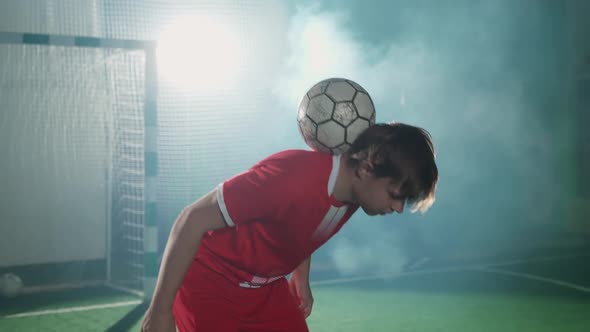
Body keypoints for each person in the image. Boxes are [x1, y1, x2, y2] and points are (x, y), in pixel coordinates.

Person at [141, 122, 438, 332]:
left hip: (265, 290)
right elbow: (191, 219)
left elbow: (300, 224)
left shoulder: (352, 195)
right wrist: (160, 310)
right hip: (209, 284)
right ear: (365, 167)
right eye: (395, 195)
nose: (398, 208)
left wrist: (301, 277)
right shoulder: (291, 178)